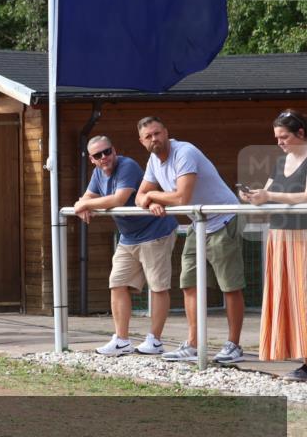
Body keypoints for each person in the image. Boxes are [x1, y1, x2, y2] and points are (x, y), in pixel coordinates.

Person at [136, 116, 245, 363]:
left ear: (166, 131)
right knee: (188, 282)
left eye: (157, 133)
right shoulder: (153, 160)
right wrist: (150, 200)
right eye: (148, 136)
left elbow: (181, 198)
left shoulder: (184, 152)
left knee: (229, 285)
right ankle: (193, 343)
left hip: (223, 218)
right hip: (199, 222)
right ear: (141, 141)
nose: (155, 139)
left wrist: (153, 196)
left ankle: (233, 345)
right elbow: (139, 197)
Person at [73, 135, 179, 356]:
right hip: (128, 237)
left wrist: (85, 204)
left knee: (158, 286)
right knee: (117, 283)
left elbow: (118, 199)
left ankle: (155, 341)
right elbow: (86, 197)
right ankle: (121, 340)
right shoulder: (97, 174)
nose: (104, 158)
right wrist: (81, 203)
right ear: (91, 159)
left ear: (114, 150)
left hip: (155, 231)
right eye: (98, 155)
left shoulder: (127, 165)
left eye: (107, 152)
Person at [241, 109, 307, 380]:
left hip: (303, 236)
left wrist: (269, 194)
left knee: (303, 296)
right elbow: (268, 195)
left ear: (301, 133)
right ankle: (302, 357)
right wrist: (254, 196)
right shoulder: (280, 162)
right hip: (280, 235)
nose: (280, 142)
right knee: (288, 297)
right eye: (277, 137)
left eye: (285, 136)